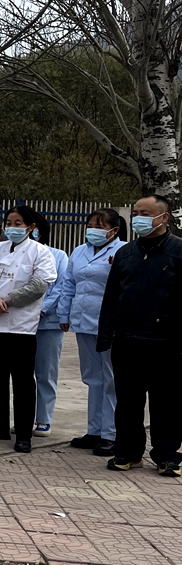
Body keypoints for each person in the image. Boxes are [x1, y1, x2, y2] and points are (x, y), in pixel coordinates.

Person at [97, 195, 182, 476]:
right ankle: (128, 452)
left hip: (166, 342)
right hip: (127, 340)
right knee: (128, 402)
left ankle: (167, 455)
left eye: (145, 213)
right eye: (135, 213)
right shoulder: (126, 253)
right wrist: (105, 335)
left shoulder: (178, 251)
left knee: (166, 402)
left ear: (163, 217)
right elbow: (111, 297)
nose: (138, 218)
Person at [0, 206, 57, 454]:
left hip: (21, 325)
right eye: (9, 223)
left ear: (30, 227)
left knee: (22, 381)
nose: (12, 227)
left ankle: (23, 433)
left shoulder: (40, 252)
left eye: (18, 223)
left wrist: (6, 302)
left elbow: (38, 286)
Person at [57, 208, 126, 457]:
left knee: (111, 380)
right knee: (92, 377)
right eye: (90, 225)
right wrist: (64, 314)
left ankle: (112, 434)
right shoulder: (79, 251)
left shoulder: (123, 251)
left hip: (110, 324)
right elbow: (68, 284)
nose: (93, 230)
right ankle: (94, 430)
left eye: (99, 226)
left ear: (114, 230)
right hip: (83, 321)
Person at [32, 211, 70, 437]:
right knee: (23, 374)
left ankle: (44, 418)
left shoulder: (58, 255)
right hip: (20, 323)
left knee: (46, 372)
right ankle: (24, 416)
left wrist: (41, 309)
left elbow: (61, 286)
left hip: (49, 323)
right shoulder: (14, 254)